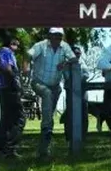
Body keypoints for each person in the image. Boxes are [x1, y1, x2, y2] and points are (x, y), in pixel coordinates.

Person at [29, 27, 76, 161]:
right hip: (39, 82)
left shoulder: (64, 47)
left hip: (55, 86)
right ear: (49, 36)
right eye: (55, 36)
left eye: (59, 36)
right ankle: (46, 137)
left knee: (49, 113)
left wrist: (65, 62)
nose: (57, 39)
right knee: (47, 95)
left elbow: (74, 58)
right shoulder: (40, 46)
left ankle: (45, 147)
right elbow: (29, 54)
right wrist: (26, 66)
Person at [0, 39, 22, 154]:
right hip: (6, 89)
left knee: (3, 120)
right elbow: (8, 69)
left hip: (1, 89)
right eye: (14, 43)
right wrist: (16, 86)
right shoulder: (6, 52)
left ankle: (2, 148)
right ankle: (9, 148)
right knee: (17, 119)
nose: (16, 46)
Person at [63, 44, 90, 143]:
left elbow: (87, 74)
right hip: (71, 91)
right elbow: (67, 77)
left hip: (82, 91)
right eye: (75, 53)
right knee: (70, 113)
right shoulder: (66, 64)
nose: (77, 55)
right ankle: (69, 136)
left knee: (84, 113)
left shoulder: (82, 63)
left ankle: (83, 136)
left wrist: (79, 79)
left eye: (79, 53)